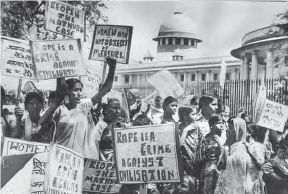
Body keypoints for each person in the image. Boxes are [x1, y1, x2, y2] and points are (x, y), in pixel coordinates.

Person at [46, 57, 116, 158]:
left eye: (80, 90)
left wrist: (112, 68)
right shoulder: (59, 109)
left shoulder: (83, 106)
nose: (79, 93)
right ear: (67, 92)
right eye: (75, 90)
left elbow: (106, 89)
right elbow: (43, 122)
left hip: (79, 160)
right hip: (60, 159)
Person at [215, 118, 253, 194]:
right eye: (228, 127)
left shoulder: (241, 146)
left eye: (231, 128)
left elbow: (230, 165)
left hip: (235, 186)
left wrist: (225, 150)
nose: (228, 130)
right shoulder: (231, 144)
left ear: (239, 131)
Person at [199, 115, 225, 194]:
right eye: (218, 123)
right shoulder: (206, 139)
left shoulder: (223, 138)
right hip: (209, 169)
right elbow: (200, 157)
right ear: (211, 125)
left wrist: (221, 147)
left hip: (221, 169)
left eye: (222, 123)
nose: (221, 125)